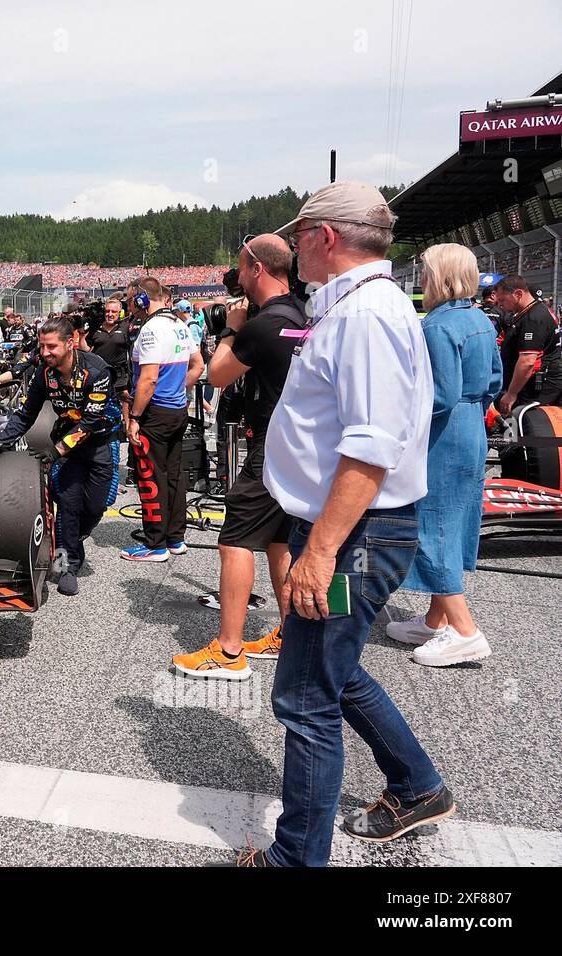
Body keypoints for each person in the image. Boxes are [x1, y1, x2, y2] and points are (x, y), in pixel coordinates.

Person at [241, 180, 450, 867]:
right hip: (353, 531)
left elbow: (370, 447)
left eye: (299, 234)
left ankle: (296, 859)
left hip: (354, 537)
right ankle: (418, 785)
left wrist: (320, 549)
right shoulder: (365, 307)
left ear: (324, 237)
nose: (292, 247)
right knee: (332, 668)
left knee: (304, 698)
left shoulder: (366, 317)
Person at [171, 235, 302, 680]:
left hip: (272, 444)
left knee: (235, 540)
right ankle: (290, 632)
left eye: (241, 268)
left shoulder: (264, 323)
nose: (238, 276)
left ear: (257, 269)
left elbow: (217, 374)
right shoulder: (302, 311)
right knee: (280, 539)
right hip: (299, 444)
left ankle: (229, 652)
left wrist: (231, 327)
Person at [386, 244, 501, 667]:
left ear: (440, 277)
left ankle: (465, 630)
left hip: (444, 434)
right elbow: (493, 380)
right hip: (472, 428)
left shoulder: (438, 325)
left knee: (431, 525)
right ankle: (437, 620)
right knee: (454, 522)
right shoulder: (480, 320)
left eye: (426, 272)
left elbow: (441, 395)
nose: (422, 279)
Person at [0, 316, 119, 597]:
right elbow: (26, 415)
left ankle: (76, 539)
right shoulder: (43, 374)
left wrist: (55, 450)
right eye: (42, 347)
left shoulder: (96, 370)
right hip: (68, 449)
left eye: (51, 346)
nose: (45, 353)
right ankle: (66, 566)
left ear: (70, 343)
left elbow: (90, 422)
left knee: (96, 507)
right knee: (67, 507)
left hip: (99, 443)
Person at [120, 278, 202, 561]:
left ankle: (156, 544)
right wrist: (180, 391)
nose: (130, 306)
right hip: (177, 411)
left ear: (143, 299)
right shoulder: (179, 324)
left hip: (155, 413)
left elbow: (149, 379)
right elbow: (198, 364)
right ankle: (175, 538)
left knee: (150, 476)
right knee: (174, 476)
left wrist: (135, 417)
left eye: (131, 300)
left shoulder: (152, 328)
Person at [492, 274, 562, 411]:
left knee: (523, 425)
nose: (500, 304)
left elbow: (527, 361)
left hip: (535, 389)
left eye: (502, 300)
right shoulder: (527, 312)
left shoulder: (534, 317)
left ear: (518, 294)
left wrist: (511, 393)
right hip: (529, 385)